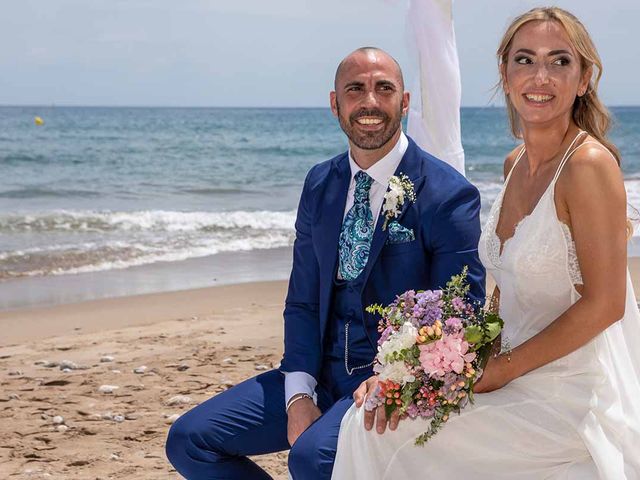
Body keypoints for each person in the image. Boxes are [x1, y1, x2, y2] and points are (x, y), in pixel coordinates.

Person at [332, 7, 640, 480]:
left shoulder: (589, 167)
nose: (541, 76)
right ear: (504, 73)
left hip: (567, 391)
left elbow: (605, 305)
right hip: (508, 369)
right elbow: (506, 286)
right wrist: (442, 360)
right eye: (525, 60)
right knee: (370, 420)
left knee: (382, 437)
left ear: (583, 79)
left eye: (560, 61)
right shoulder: (514, 162)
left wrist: (501, 371)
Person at [164, 46, 485, 479]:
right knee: (190, 440)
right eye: (355, 89)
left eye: (383, 89)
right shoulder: (319, 183)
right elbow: (302, 302)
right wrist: (298, 395)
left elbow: (462, 314)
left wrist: (395, 378)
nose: (369, 102)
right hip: (319, 371)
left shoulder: (447, 194)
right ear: (335, 104)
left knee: (312, 458)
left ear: (404, 102)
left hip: (391, 382)